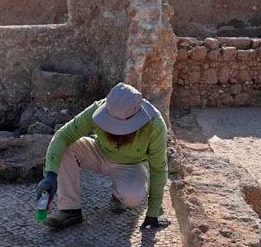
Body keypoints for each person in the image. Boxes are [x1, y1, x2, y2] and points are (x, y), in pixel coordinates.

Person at [35, 82, 171, 230]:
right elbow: (63, 135)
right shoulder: (98, 108)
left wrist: (153, 213)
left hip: (132, 165)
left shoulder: (155, 125)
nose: (116, 131)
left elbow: (159, 170)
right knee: (66, 147)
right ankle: (70, 210)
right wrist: (50, 174)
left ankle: (118, 196)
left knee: (133, 197)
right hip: (99, 152)